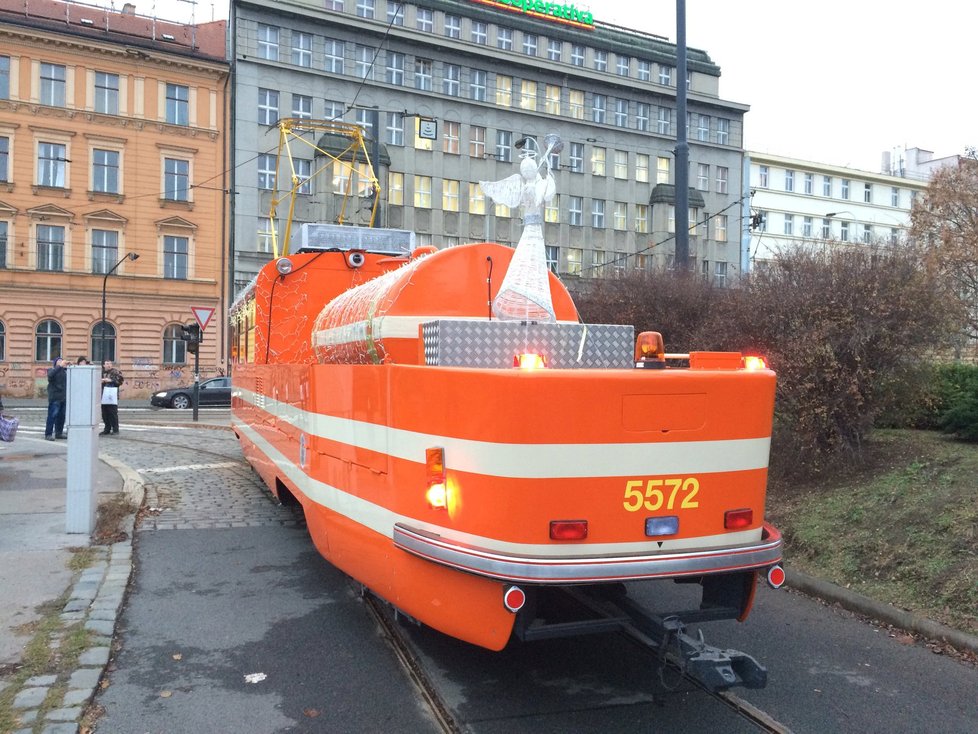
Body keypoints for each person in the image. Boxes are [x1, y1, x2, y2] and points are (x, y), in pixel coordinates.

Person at [45, 357, 68, 440]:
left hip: (63, 397)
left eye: (62, 360)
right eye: (59, 361)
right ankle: (48, 434)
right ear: (55, 363)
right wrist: (59, 366)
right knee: (52, 416)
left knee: (61, 416)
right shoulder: (51, 370)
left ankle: (59, 433)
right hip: (55, 397)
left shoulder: (65, 372)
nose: (61, 362)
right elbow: (50, 376)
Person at [100, 360, 124, 436]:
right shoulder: (102, 373)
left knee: (113, 412)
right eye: (107, 364)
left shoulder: (115, 372)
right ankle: (107, 428)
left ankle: (115, 429)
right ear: (104, 365)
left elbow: (120, 381)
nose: (109, 365)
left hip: (112, 395)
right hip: (103, 395)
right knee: (105, 413)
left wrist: (110, 380)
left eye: (110, 363)